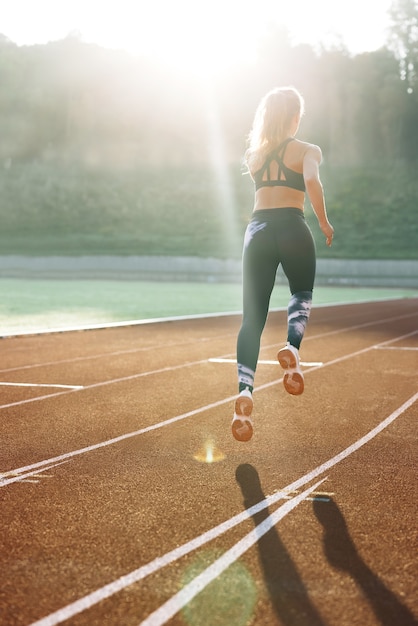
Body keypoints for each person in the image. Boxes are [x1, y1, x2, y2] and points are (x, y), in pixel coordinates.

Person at [232, 86, 334, 443]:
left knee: (252, 318)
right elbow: (311, 180)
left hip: (257, 230)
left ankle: (244, 391)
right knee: (301, 292)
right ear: (295, 117)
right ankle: (292, 347)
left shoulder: (253, 156)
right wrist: (322, 221)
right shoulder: (308, 150)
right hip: (292, 225)